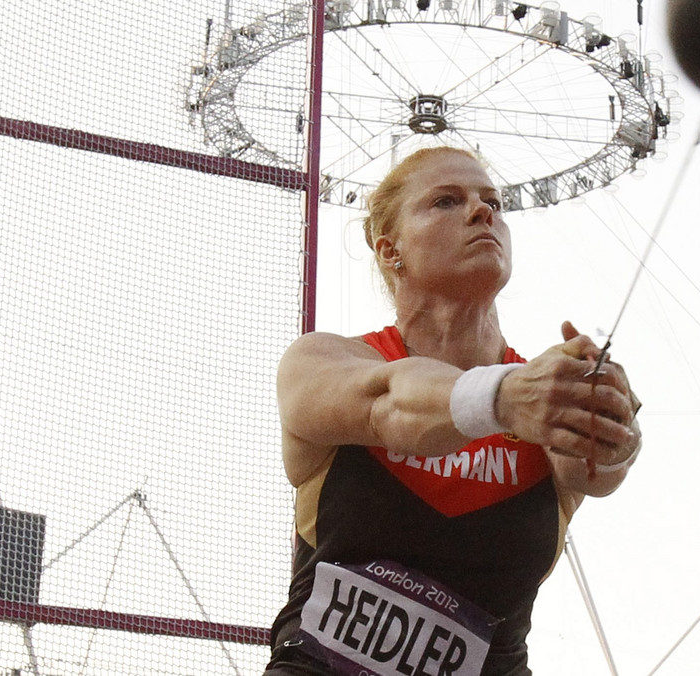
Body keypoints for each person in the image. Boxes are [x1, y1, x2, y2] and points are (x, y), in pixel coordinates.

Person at [264, 146, 642, 676]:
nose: (482, 211)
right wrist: (504, 398)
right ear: (390, 249)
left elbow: (597, 473)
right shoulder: (324, 361)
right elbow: (392, 403)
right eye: (446, 201)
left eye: (493, 201)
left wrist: (616, 428)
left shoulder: (548, 395)